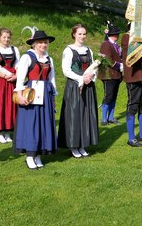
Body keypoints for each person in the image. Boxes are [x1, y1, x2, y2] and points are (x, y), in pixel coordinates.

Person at [14, 29, 58, 169]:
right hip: (32, 92)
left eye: (45, 42)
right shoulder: (27, 57)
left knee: (43, 123)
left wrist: (53, 96)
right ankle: (30, 155)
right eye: (40, 42)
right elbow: (20, 78)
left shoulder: (49, 59)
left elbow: (52, 78)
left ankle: (38, 153)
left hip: (45, 92)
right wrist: (20, 95)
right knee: (32, 123)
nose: (43, 45)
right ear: (33, 44)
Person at [58, 24, 100, 158]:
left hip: (88, 86)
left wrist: (91, 76)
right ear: (74, 34)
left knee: (86, 114)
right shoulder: (69, 50)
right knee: (74, 115)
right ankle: (73, 145)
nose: (82, 36)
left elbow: (94, 67)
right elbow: (66, 70)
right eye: (80, 34)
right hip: (74, 86)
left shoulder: (88, 50)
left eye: (84, 34)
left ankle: (82, 144)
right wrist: (82, 79)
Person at [98, 24, 122, 125]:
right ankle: (104, 118)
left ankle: (111, 117)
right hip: (108, 75)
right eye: (115, 34)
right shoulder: (106, 44)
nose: (116, 36)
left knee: (114, 96)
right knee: (108, 96)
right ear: (111, 35)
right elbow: (107, 59)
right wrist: (119, 65)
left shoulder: (116, 45)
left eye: (117, 34)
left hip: (116, 74)